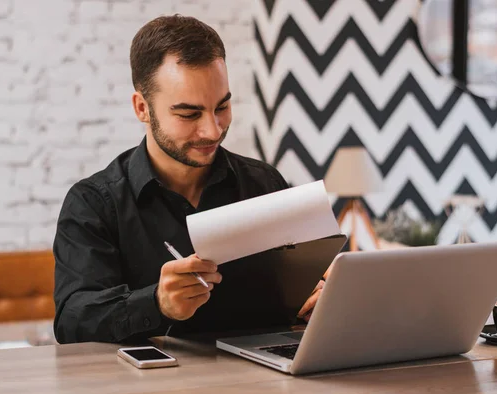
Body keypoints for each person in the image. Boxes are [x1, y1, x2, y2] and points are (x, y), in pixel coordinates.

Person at [53, 14, 323, 344]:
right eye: (189, 114)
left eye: (222, 107)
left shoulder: (264, 185)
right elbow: (71, 321)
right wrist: (156, 303)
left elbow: (297, 299)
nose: (213, 130)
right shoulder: (94, 204)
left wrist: (318, 299)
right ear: (142, 108)